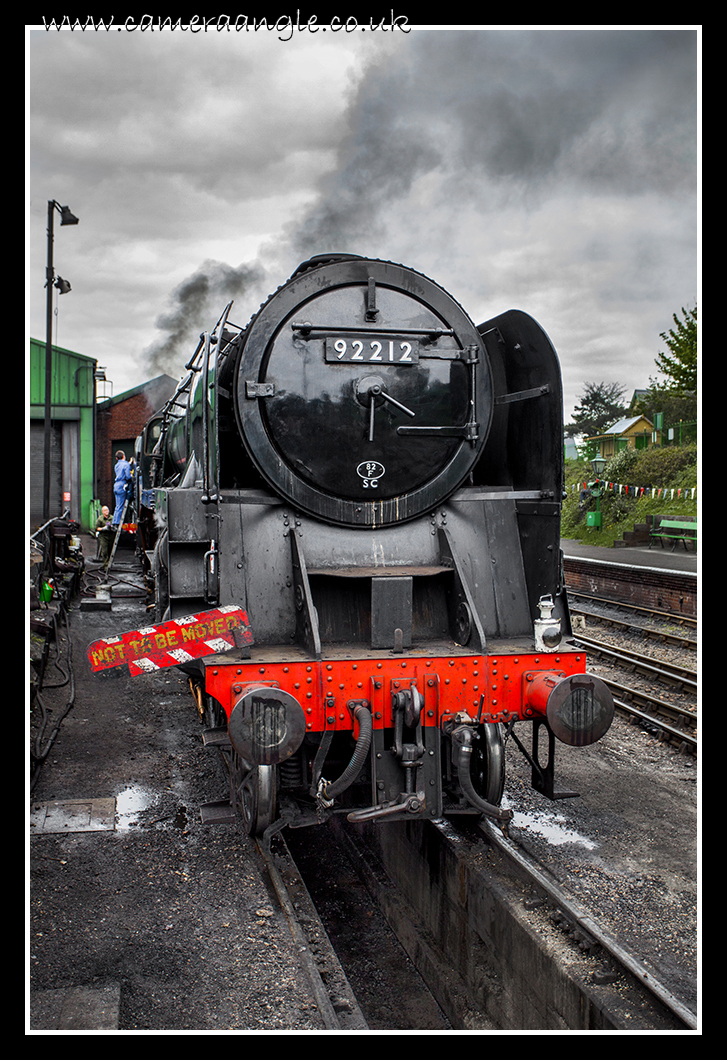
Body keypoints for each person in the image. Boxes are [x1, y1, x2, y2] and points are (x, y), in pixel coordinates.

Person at [112, 450, 134, 526]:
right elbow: (128, 476)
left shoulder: (116, 465)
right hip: (122, 485)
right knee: (121, 506)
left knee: (117, 505)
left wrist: (129, 463)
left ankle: (114, 522)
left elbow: (122, 468)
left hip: (116, 486)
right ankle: (117, 523)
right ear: (124, 456)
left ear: (116, 458)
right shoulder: (126, 464)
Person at [95, 504, 114, 570]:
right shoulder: (100, 519)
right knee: (105, 551)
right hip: (103, 536)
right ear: (102, 512)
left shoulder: (112, 518)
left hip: (111, 536)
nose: (106, 511)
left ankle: (110, 563)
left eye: (107, 510)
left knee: (110, 550)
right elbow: (96, 528)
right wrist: (103, 528)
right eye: (105, 510)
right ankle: (106, 566)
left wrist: (112, 528)